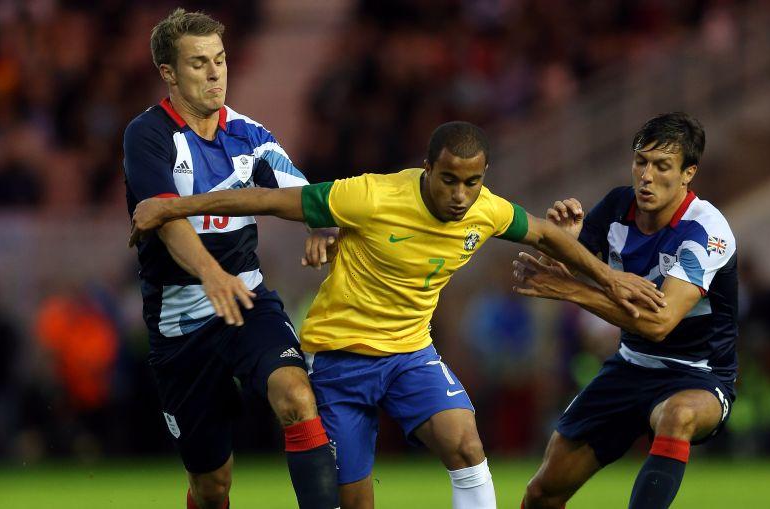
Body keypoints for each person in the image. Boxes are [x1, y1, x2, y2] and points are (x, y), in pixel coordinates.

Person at [129, 121, 664, 509]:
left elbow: (546, 234)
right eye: (450, 179)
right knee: (355, 502)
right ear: (427, 169)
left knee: (467, 444)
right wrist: (174, 207)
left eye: (472, 182)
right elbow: (269, 201)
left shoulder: (487, 209)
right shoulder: (372, 195)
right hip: (339, 362)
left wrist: (611, 278)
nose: (461, 195)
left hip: (410, 354)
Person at [123, 9, 338, 509]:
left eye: (220, 60)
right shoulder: (147, 135)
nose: (215, 72)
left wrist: (322, 224)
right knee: (213, 485)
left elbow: (304, 194)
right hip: (178, 320)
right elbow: (165, 218)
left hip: (246, 298)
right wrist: (209, 273)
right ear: (169, 74)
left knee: (296, 397)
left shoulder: (252, 136)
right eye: (198, 63)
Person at [512, 112, 737, 509]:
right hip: (628, 367)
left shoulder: (707, 231)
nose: (646, 176)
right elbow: (573, 262)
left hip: (698, 377)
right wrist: (566, 243)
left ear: (688, 173)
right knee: (541, 493)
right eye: (641, 162)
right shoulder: (618, 206)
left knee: (678, 415)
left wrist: (572, 291)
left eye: (662, 166)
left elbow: (659, 323)